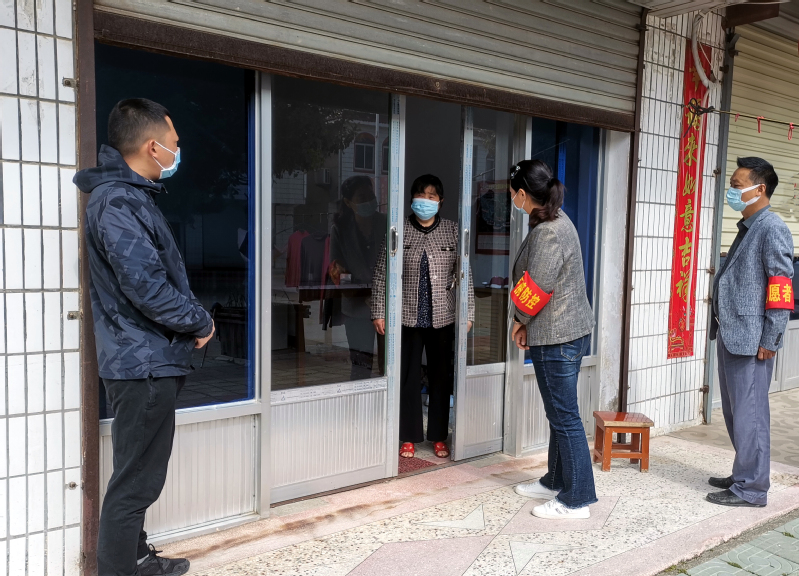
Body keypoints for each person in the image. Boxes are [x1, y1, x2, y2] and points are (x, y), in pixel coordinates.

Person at [75, 98, 215, 576]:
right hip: (143, 363)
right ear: (154, 147)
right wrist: (200, 321)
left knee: (135, 475)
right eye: (174, 143)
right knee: (135, 483)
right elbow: (147, 286)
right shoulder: (119, 201)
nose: (178, 151)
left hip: (143, 360)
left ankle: (136, 561)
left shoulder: (128, 198)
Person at [508, 160, 597, 520]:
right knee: (560, 414)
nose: (513, 199)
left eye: (513, 194)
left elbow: (537, 286)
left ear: (523, 194)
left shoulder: (548, 231)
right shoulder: (557, 219)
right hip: (566, 331)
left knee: (565, 417)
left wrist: (518, 321)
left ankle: (577, 499)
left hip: (557, 335)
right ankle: (555, 480)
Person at [708, 157, 794, 508]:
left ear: (759, 189)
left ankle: (753, 488)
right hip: (733, 334)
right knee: (736, 413)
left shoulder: (771, 227)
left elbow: (781, 287)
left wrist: (770, 339)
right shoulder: (749, 226)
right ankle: (744, 472)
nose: (731, 191)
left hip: (753, 340)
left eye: (736, 185)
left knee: (751, 415)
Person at [371, 174, 474, 459]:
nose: (425, 201)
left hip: (443, 317)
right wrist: (379, 311)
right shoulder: (398, 230)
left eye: (431, 196)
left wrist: (468, 313)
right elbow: (381, 274)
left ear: (440, 201)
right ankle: (409, 436)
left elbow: (465, 275)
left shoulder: (453, 231)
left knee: (441, 377)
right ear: (411, 198)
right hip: (407, 317)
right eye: (420, 195)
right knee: (408, 377)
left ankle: (439, 436)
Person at [329, 176, 387, 380]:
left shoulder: (387, 223)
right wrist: (360, 294)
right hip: (356, 307)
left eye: (370, 195)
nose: (369, 200)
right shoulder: (340, 229)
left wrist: (381, 297)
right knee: (361, 365)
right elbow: (337, 271)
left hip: (387, 306)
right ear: (348, 202)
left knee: (389, 365)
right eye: (362, 197)